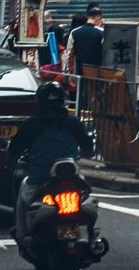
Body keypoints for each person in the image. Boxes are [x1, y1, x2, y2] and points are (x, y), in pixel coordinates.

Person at [8, 82, 97, 235]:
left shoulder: (32, 124)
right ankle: (87, 234)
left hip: (39, 180)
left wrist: (11, 166)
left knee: (22, 201)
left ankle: (22, 235)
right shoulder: (74, 122)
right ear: (63, 100)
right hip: (73, 179)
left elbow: (13, 151)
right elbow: (89, 152)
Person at [68, 3, 108, 72]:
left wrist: (70, 73)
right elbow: (106, 54)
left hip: (80, 73)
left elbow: (70, 55)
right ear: (98, 17)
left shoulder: (74, 32)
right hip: (98, 74)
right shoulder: (102, 33)